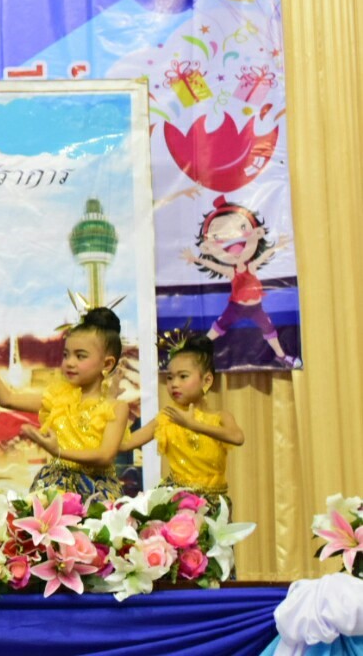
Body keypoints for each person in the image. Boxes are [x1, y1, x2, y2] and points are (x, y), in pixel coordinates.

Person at [0, 308, 131, 499]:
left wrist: (58, 451)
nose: (70, 362)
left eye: (80, 356)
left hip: (96, 491)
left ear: (107, 364)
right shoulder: (56, 399)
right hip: (56, 486)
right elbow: (6, 399)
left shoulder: (116, 408)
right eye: (66, 355)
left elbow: (105, 456)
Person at [123, 332, 243, 514]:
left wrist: (193, 425)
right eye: (170, 377)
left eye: (183, 376)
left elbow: (237, 437)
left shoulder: (220, 417)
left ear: (207, 380)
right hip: (177, 503)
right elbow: (126, 443)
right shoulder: (168, 416)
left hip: (213, 505)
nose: (174, 384)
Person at [184, 196, 299, 368]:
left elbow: (264, 256)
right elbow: (214, 265)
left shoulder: (251, 266)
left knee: (269, 330)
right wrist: (196, 259)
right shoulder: (231, 271)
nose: (237, 253)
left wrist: (277, 247)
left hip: (256, 308)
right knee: (216, 329)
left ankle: (282, 356)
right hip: (236, 308)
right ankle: (196, 352)